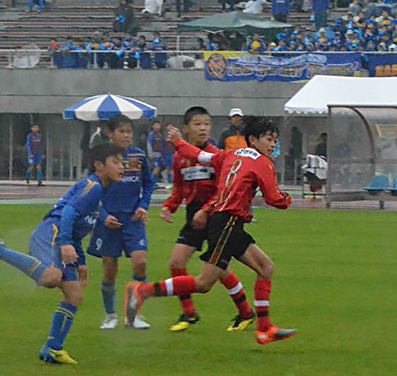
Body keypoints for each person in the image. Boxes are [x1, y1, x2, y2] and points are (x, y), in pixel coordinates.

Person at [125, 116, 295, 344]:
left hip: (228, 222)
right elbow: (274, 199)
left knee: (266, 268)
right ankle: (142, 290)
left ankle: (264, 328)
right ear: (253, 140)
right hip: (228, 224)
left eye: (275, 140)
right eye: (268, 139)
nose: (273, 144)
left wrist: (178, 142)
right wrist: (287, 199)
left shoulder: (230, 154)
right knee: (203, 283)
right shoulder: (263, 163)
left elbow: (199, 156)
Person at [0, 143, 124, 365]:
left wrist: (81, 261)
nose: (122, 167)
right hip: (52, 232)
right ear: (99, 165)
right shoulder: (93, 186)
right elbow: (68, 212)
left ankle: (53, 348)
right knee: (51, 277)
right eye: (116, 162)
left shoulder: (100, 191)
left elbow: (78, 228)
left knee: (75, 295)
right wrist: (64, 243)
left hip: (65, 238)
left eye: (122, 163)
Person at [160, 107, 256, 332]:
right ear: (186, 129)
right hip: (193, 216)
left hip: (216, 216)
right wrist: (169, 207)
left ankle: (245, 312)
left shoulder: (216, 155)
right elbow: (178, 189)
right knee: (176, 263)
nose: (203, 128)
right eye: (197, 124)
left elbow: (224, 190)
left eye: (206, 124)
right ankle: (189, 312)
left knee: (218, 270)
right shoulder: (179, 158)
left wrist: (206, 210)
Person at [87, 114, 156, 330]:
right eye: (122, 131)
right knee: (110, 267)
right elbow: (90, 189)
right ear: (110, 134)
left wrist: (143, 205)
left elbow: (149, 183)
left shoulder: (139, 155)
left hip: (133, 220)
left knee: (141, 262)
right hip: (109, 220)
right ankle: (109, 316)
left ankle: (133, 315)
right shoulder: (101, 157)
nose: (127, 136)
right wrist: (102, 215)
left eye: (129, 132)